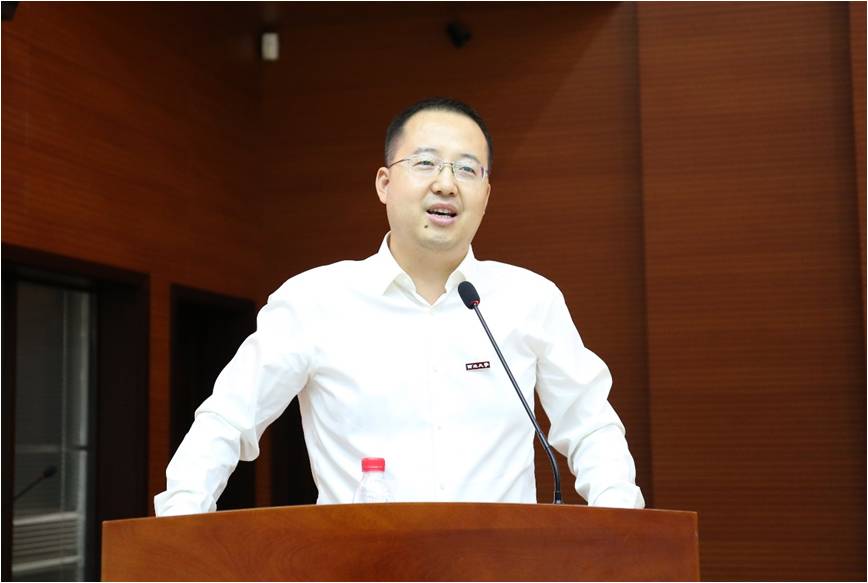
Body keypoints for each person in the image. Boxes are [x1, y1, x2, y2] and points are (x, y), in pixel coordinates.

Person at [154, 97, 644, 515]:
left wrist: (623, 531)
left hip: (500, 569)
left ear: (486, 194)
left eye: (467, 169)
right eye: (426, 163)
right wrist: (178, 531)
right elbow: (227, 419)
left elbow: (590, 425)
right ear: (384, 184)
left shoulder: (529, 299)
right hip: (362, 570)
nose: (447, 183)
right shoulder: (313, 300)